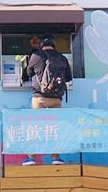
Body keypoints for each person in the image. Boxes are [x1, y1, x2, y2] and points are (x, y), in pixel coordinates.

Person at [23, 36, 72, 165]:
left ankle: (31, 158)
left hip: (39, 97)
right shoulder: (62, 58)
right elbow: (68, 77)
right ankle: (56, 157)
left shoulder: (36, 56)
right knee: (55, 128)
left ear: (42, 46)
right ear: (54, 46)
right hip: (56, 99)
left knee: (35, 127)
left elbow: (28, 73)